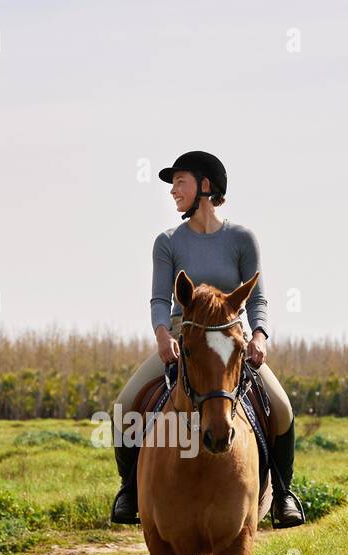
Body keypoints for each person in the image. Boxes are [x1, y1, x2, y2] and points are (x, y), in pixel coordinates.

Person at [110, 150, 304, 528]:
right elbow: (158, 299)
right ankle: (129, 490)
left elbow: (258, 297)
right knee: (124, 406)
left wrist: (260, 336)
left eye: (179, 181)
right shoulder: (167, 242)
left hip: (230, 343)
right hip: (183, 338)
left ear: (204, 186)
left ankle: (282, 494)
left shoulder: (242, 238)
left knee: (281, 409)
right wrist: (163, 334)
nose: (172, 191)